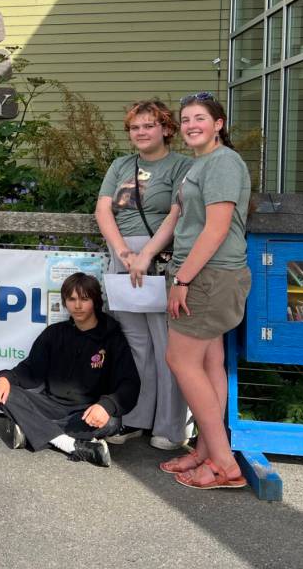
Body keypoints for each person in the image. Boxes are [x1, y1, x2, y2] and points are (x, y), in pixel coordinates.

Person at [162, 92, 251, 490]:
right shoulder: (200, 164)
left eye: (200, 118)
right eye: (185, 119)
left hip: (209, 276)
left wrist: (182, 280)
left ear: (218, 124)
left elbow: (216, 229)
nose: (191, 125)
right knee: (211, 362)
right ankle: (206, 451)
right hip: (205, 273)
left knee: (180, 360)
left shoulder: (223, 162)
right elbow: (182, 220)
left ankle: (225, 465)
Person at [95, 99, 192, 451]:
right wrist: (123, 253)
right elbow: (103, 209)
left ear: (166, 128)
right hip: (123, 261)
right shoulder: (120, 165)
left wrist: (146, 254)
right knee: (134, 344)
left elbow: (178, 213)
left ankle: (171, 426)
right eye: (135, 127)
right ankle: (135, 417)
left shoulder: (182, 165)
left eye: (149, 125)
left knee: (167, 345)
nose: (141, 132)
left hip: (161, 261)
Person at [0, 272, 140, 468]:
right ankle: (70, 444)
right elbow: (29, 370)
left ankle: (30, 429)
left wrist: (106, 406)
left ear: (95, 301)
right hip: (49, 406)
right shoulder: (54, 333)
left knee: (111, 423)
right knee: (2, 393)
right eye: (72, 299)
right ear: (65, 302)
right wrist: (4, 378)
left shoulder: (113, 338)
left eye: (84, 299)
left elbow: (129, 383)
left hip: (86, 411)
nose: (78, 305)